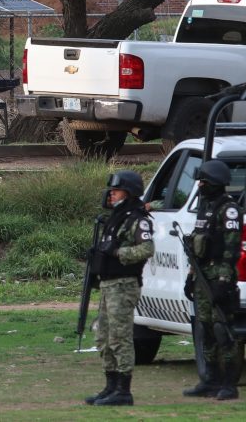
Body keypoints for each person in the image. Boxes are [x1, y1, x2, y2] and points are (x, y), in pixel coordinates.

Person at [84, 170, 154, 407]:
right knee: (103, 335)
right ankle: (111, 385)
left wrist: (117, 253)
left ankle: (124, 390)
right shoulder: (115, 218)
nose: (111, 193)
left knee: (120, 337)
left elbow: (146, 250)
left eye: (116, 189)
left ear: (129, 192)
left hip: (124, 284)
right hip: (108, 284)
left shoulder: (137, 219)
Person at [182, 160, 243, 401]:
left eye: (204, 182)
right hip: (202, 277)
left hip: (219, 278)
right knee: (205, 329)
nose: (200, 185)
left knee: (222, 330)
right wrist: (190, 278)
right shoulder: (204, 208)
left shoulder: (228, 210)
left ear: (214, 183)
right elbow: (197, 248)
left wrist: (223, 281)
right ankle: (210, 380)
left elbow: (232, 249)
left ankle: (229, 383)